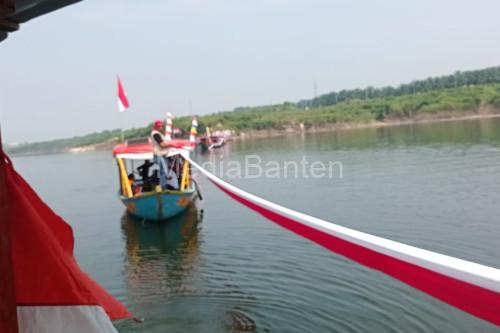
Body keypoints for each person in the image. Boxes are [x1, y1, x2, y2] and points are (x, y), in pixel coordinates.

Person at [150, 120, 171, 190]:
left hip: (162, 154)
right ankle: (163, 187)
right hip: (159, 154)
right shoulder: (156, 134)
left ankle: (164, 186)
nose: (161, 127)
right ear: (156, 127)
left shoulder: (159, 134)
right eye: (159, 126)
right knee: (164, 171)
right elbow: (162, 145)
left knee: (163, 171)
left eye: (161, 126)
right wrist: (171, 144)